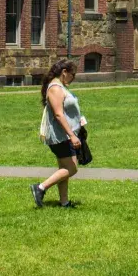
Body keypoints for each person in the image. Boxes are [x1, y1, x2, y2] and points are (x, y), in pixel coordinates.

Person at [31, 58, 86, 209]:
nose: (73, 79)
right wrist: (72, 135)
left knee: (65, 168)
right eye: (72, 75)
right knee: (72, 168)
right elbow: (58, 115)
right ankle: (40, 188)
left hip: (65, 134)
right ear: (64, 72)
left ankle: (64, 202)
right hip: (60, 135)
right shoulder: (55, 88)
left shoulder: (60, 86)